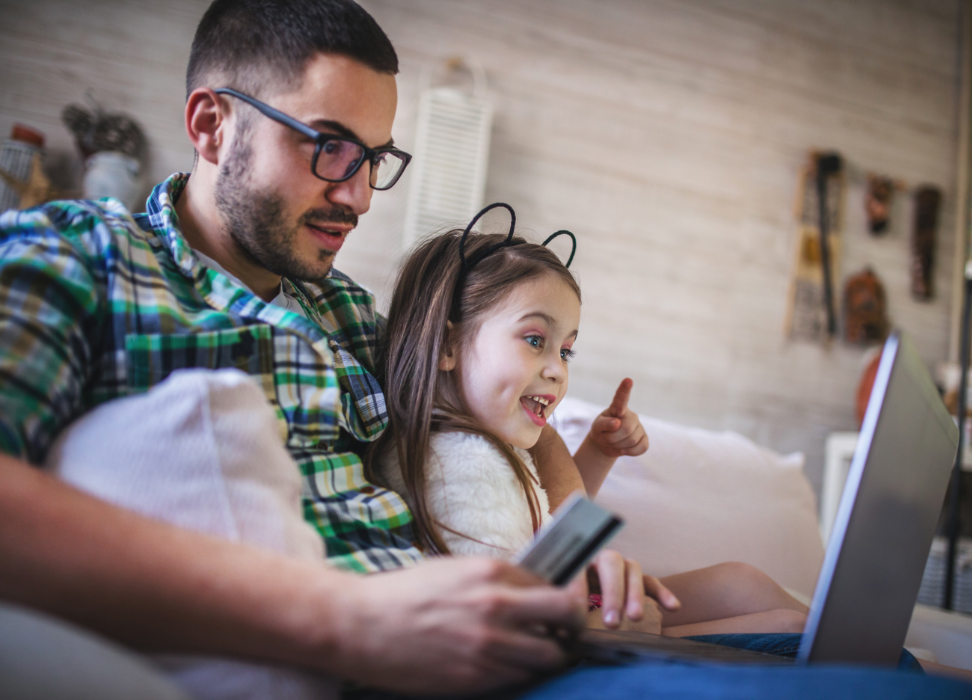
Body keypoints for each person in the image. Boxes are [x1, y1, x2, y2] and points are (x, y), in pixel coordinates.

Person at [0, 0, 968, 696]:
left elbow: (500, 419)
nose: (359, 194)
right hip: (370, 655)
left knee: (888, 665)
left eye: (376, 159)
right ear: (212, 124)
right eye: (329, 146)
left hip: (501, 638)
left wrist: (578, 533)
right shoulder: (78, 256)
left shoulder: (345, 313)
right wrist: (347, 618)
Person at [371, 219, 809, 637]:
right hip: (577, 629)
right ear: (448, 345)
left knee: (742, 582)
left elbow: (557, 530)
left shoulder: (496, 438)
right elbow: (505, 623)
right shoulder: (456, 468)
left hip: (588, 604)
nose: (558, 371)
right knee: (788, 627)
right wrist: (609, 623)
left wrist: (599, 454)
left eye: (566, 351)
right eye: (535, 340)